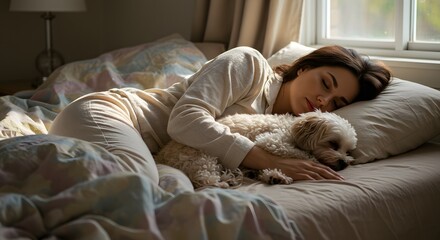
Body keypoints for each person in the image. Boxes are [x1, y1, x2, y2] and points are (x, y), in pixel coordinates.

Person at [49, 45, 391, 184]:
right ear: (304, 68)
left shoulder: (291, 129)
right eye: (325, 83)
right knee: (138, 178)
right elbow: (184, 120)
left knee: (173, 190)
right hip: (112, 116)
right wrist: (265, 160)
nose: (323, 100)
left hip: (161, 154)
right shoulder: (250, 65)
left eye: (336, 103)